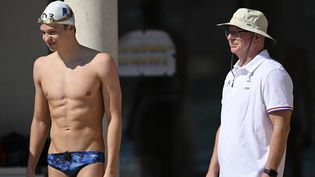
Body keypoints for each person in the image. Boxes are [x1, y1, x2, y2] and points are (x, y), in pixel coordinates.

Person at [26, 1, 122, 177]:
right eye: (43, 33)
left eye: (53, 32)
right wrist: (30, 168)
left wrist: (112, 168)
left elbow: (114, 117)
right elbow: (40, 121)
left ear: (71, 28)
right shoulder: (41, 66)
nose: (47, 38)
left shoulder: (100, 63)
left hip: (90, 157)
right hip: (55, 158)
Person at [205, 8, 293, 177]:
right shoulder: (231, 76)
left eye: (237, 32)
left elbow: (282, 126)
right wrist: (212, 171)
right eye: (228, 32)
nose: (230, 37)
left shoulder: (272, 73)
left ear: (257, 37)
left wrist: (269, 172)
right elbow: (224, 126)